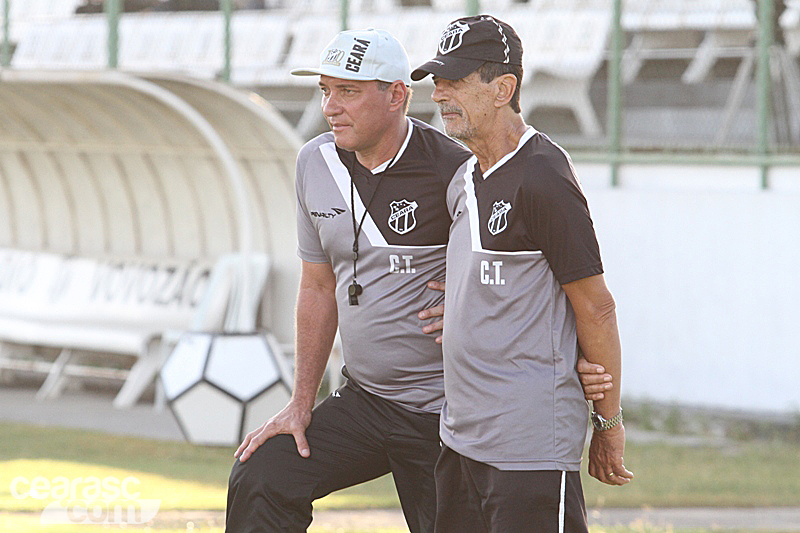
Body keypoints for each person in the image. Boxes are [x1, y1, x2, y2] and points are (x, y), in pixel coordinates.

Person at [225, 27, 612, 533]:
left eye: (348, 91)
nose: (330, 107)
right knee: (262, 472)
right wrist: (301, 404)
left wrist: (470, 291)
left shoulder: (459, 168)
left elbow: (540, 270)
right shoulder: (313, 163)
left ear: (397, 95)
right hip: (364, 399)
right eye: (324, 90)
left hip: (444, 413)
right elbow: (318, 288)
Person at [411, 15, 634, 532]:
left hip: (528, 448)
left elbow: (596, 306)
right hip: (461, 437)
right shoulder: (465, 174)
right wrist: (463, 306)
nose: (440, 94)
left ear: (503, 88)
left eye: (456, 82)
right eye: (437, 81)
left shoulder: (544, 177)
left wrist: (608, 422)